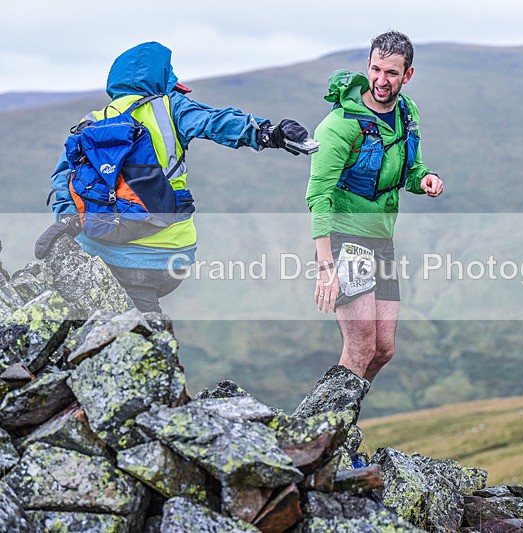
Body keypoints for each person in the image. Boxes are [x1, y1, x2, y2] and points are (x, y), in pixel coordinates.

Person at [38, 41, 308, 313]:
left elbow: (64, 179)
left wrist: (68, 220)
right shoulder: (169, 107)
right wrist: (267, 132)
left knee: (78, 290)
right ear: (162, 78)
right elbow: (213, 121)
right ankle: (146, 327)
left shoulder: (91, 122)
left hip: (108, 254)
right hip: (172, 255)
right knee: (140, 320)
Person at [306, 30, 444, 382]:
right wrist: (326, 266)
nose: (381, 80)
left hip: (381, 239)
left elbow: (411, 170)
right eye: (376, 70)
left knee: (383, 350)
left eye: (392, 73)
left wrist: (425, 179)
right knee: (361, 348)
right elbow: (318, 195)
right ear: (367, 65)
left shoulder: (406, 112)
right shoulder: (339, 126)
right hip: (345, 238)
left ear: (407, 74)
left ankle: (344, 412)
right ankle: (325, 417)